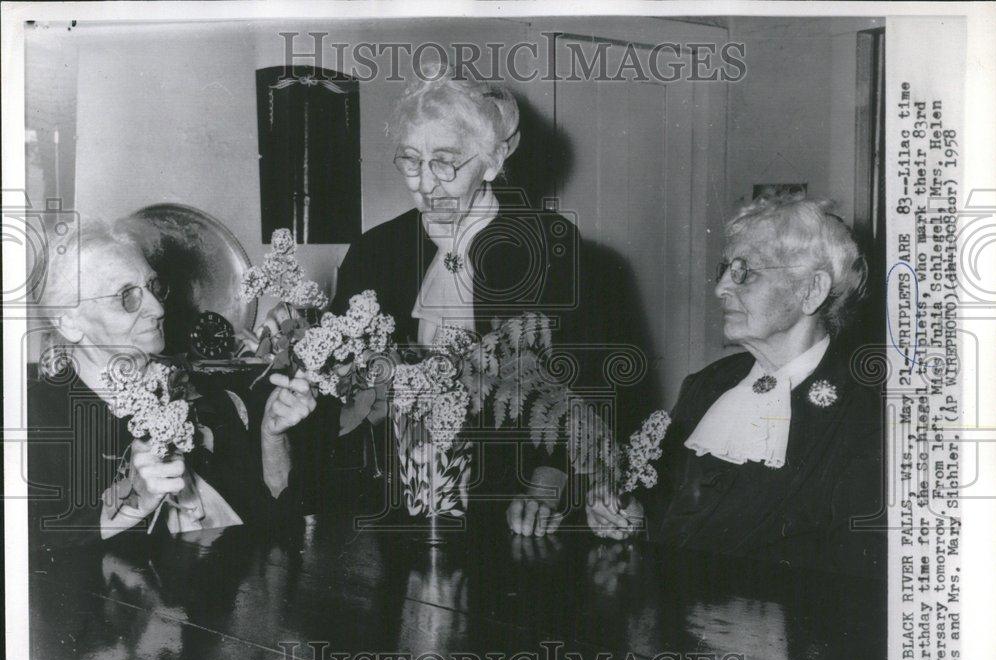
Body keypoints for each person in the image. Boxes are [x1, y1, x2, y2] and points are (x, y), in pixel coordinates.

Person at [271, 64, 628, 534]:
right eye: (411, 160)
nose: (424, 182)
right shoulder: (376, 251)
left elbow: (584, 386)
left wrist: (545, 487)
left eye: (446, 161)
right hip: (397, 502)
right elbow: (343, 389)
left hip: (513, 503)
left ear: (494, 160)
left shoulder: (551, 248)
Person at [628, 193, 883, 575]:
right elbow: (668, 513)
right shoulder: (707, 386)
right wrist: (632, 517)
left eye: (745, 272)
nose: (720, 289)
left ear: (811, 291)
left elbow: (857, 578)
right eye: (726, 269)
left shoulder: (866, 413)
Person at [26, 220, 313, 552]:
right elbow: (29, 556)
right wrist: (131, 502)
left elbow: (270, 520)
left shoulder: (196, 391)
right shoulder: (37, 418)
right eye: (126, 297)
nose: (158, 309)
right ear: (70, 322)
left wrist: (272, 436)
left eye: (153, 286)